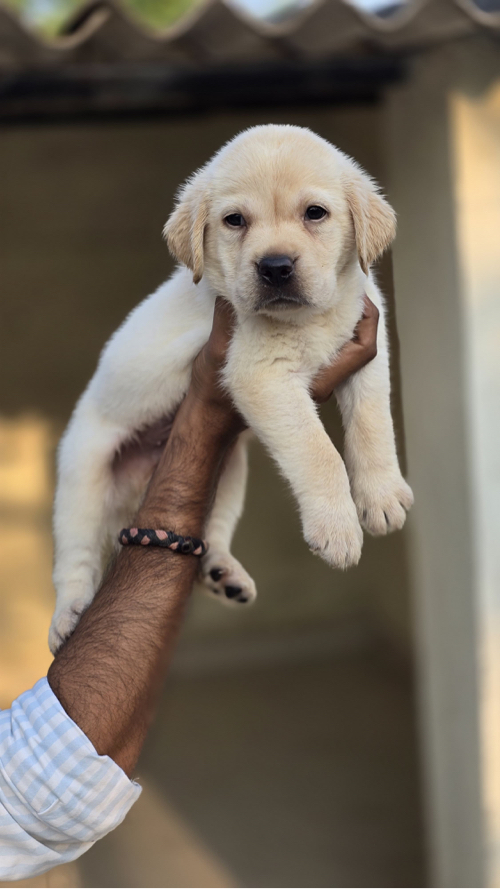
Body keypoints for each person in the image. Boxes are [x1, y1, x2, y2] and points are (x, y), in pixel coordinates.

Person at [0, 296, 379, 881]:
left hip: (198, 421)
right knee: (84, 464)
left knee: (233, 454)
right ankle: (74, 578)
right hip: (118, 432)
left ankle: (215, 547)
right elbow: (36, 800)